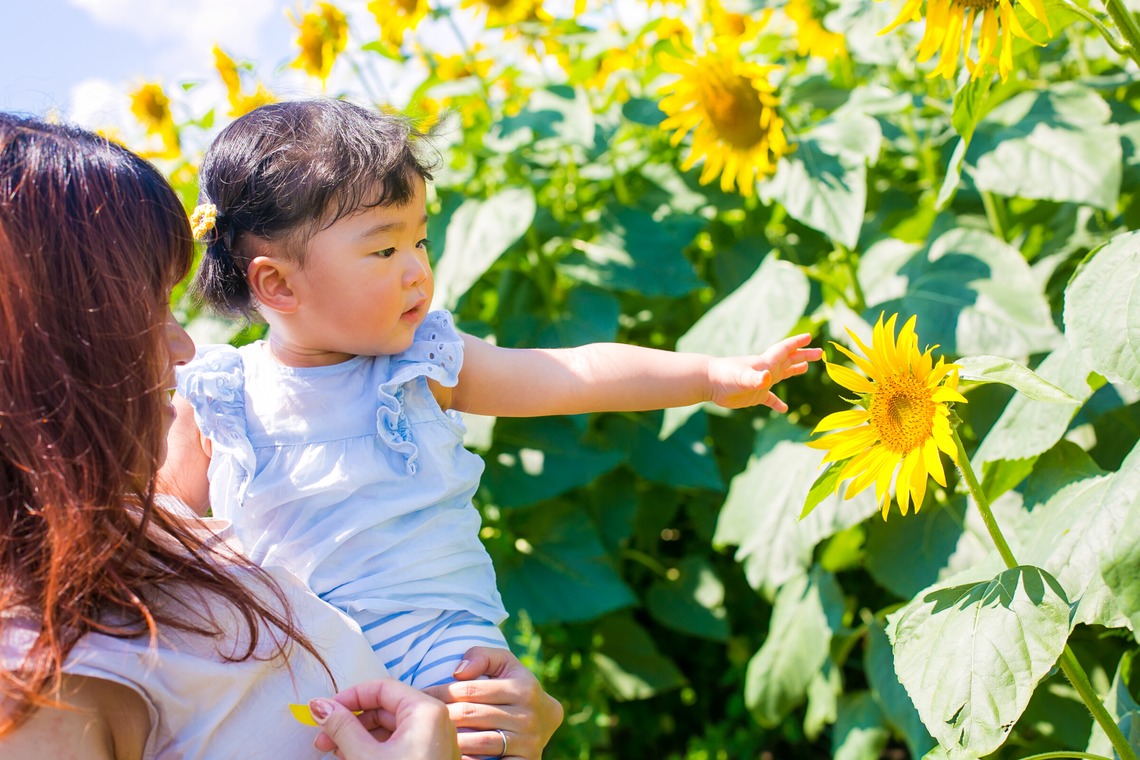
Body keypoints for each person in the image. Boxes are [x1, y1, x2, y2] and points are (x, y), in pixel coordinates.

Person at [160, 97, 822, 692]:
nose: (419, 270)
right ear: (277, 285)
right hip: (296, 673)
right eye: (385, 251)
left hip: (444, 657)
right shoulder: (220, 398)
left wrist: (708, 376)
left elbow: (573, 372)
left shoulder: (422, 364)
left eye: (420, 240)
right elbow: (162, 535)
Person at [0, 112, 561, 760]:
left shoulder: (150, 539)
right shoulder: (39, 697)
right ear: (37, 352)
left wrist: (512, 720)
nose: (184, 349)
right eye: (144, 312)